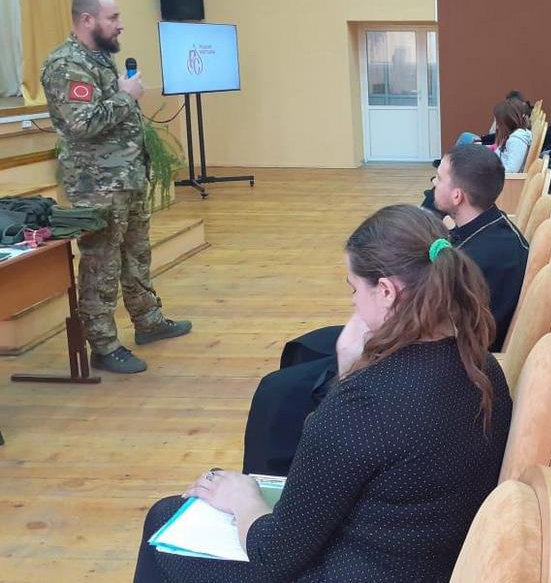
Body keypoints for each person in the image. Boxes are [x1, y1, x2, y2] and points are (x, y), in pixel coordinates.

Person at [135, 205, 512, 582]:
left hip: (361, 570)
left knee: (165, 519)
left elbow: (272, 556)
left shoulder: (364, 402)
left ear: (386, 291)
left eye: (354, 288)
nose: (353, 302)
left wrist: (242, 498)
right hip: (431, 561)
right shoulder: (482, 366)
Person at [245, 145, 527, 476]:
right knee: (304, 349)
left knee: (277, 394)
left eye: (438, 179)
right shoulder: (480, 236)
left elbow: (438, 326)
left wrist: (348, 376)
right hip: (425, 341)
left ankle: (277, 473)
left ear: (457, 196)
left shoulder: (485, 256)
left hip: (425, 351)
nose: (433, 184)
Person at [39, 0, 190, 375]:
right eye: (113, 17)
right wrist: (125, 96)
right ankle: (104, 345)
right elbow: (82, 123)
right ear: (87, 19)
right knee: (101, 262)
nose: (120, 24)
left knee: (136, 254)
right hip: (97, 185)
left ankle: (148, 321)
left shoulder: (99, 60)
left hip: (126, 178)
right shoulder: (66, 64)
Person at [492, 99, 532, 172]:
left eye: (498, 122)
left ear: (508, 122)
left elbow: (512, 170)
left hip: (504, 178)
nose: (496, 127)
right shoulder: (512, 137)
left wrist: (489, 170)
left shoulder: (516, 140)